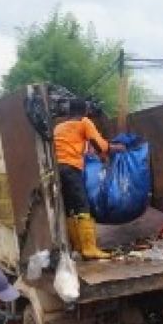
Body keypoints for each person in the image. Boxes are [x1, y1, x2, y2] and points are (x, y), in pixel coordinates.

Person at [53, 100, 124, 260]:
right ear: (85, 110)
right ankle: (90, 249)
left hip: (58, 169)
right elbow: (98, 144)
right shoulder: (84, 122)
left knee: (70, 207)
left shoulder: (59, 127)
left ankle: (78, 246)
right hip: (71, 167)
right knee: (82, 205)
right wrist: (114, 148)